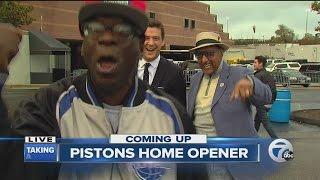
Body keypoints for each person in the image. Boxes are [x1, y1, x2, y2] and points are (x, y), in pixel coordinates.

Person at [0, 2, 195, 180]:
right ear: (83, 48)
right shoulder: (48, 108)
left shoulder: (173, 117)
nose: (107, 38)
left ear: (139, 47)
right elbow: (14, 165)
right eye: (93, 29)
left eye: (123, 30)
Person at [187, 32, 273, 180]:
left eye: (209, 54)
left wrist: (252, 84)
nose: (204, 60)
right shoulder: (195, 79)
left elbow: (267, 95)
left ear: (221, 53)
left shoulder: (239, 74)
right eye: (199, 55)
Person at [138, 20, 186, 106]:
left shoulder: (175, 73)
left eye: (155, 38)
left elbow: (179, 113)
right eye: (146, 38)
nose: (151, 43)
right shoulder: (127, 68)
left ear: (163, 42)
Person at [253, 55, 278, 138]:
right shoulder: (267, 74)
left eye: (255, 62)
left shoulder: (258, 76)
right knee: (257, 120)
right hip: (269, 101)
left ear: (261, 64)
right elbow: (273, 89)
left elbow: (254, 90)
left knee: (266, 123)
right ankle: (252, 137)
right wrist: (271, 101)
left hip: (262, 102)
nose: (254, 64)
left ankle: (276, 140)